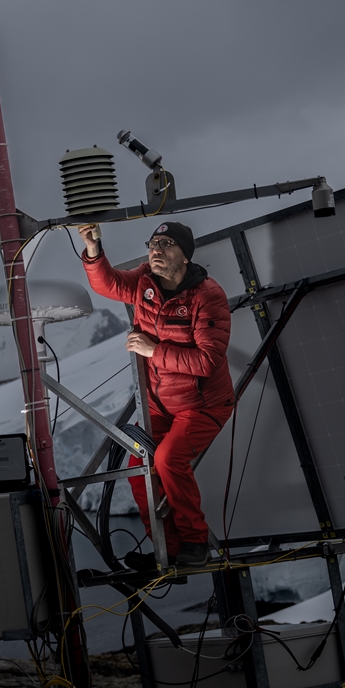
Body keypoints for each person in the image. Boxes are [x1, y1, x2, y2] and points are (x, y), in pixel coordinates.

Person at [77, 221, 233, 569]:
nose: (156, 251)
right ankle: (166, 547)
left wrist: (153, 350)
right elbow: (109, 284)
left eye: (166, 244)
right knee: (139, 465)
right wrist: (93, 249)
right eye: (153, 243)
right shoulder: (144, 281)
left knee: (167, 460)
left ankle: (195, 542)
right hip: (159, 405)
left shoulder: (208, 296)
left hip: (202, 405)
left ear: (185, 256)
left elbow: (207, 362)